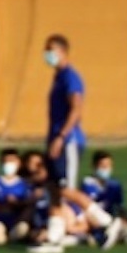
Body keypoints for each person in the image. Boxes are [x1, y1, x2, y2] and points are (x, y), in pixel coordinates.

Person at [44, 34, 86, 189]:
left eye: (50, 50)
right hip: (54, 136)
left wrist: (62, 137)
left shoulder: (70, 77)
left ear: (62, 51)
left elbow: (76, 109)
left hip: (68, 141)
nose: (47, 54)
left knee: (67, 189)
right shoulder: (58, 77)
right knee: (54, 187)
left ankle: (95, 207)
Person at [81, 150, 127, 223]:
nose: (106, 169)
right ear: (94, 166)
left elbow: (119, 206)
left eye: (109, 166)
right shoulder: (88, 183)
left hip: (110, 218)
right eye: (103, 166)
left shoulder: (115, 185)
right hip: (94, 220)